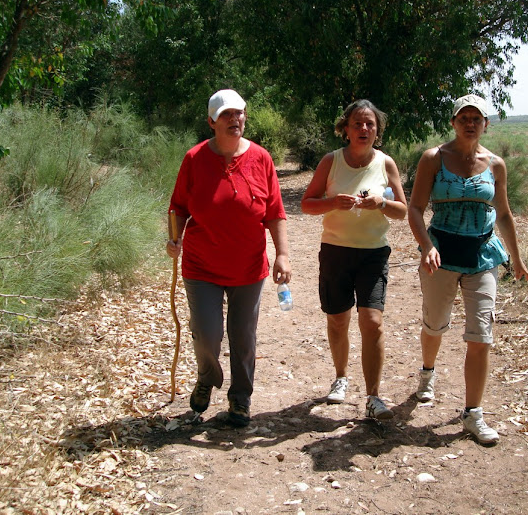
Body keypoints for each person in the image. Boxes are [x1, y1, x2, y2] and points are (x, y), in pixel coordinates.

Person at [407, 94, 528, 446]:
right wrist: (427, 247)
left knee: (481, 335)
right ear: (453, 122)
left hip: (483, 254)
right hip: (441, 253)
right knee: (435, 324)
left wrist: (517, 259)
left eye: (477, 117)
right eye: (464, 117)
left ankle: (473, 413)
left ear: (486, 124)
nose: (470, 123)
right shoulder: (434, 158)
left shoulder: (496, 164)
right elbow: (415, 209)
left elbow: (504, 214)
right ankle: (427, 373)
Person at [167, 89, 291, 427]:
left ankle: (240, 398)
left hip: (248, 267)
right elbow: (177, 206)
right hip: (201, 265)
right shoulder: (194, 159)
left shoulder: (261, 159)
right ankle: (207, 377)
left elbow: (275, 212)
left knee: (243, 335)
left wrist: (282, 254)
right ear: (211, 122)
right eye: (226, 115)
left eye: (239, 113)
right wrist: (173, 238)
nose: (235, 119)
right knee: (206, 333)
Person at [301, 99, 407, 420]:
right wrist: (332, 202)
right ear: (345, 129)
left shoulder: (386, 164)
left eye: (370, 124)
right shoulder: (330, 162)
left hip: (374, 254)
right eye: (357, 123)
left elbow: (403, 210)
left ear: (378, 130)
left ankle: (374, 397)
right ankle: (341, 378)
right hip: (335, 252)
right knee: (337, 319)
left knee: (372, 323)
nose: (364, 129)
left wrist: (381, 204)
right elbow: (307, 204)